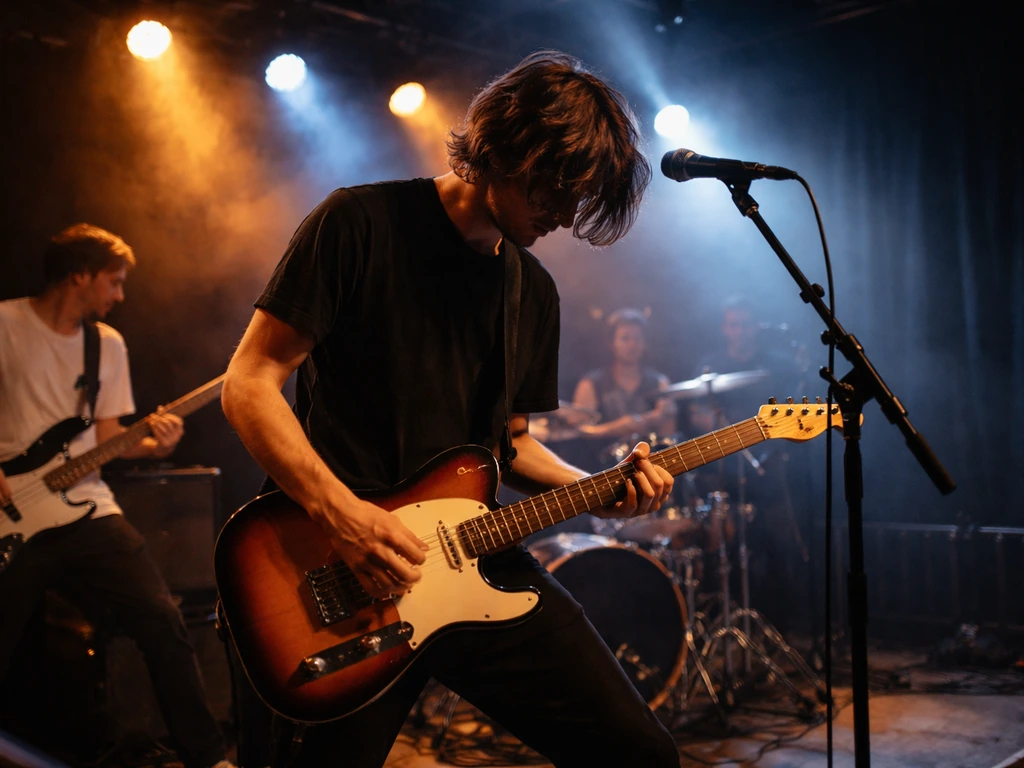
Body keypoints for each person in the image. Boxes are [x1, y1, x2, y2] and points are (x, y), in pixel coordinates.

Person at [221, 52, 681, 767]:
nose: (564, 214)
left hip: (475, 566)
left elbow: (511, 447)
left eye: (579, 198)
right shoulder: (358, 222)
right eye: (555, 188)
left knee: (640, 755)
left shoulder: (532, 290)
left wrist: (602, 490)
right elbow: (249, 382)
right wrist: (344, 518)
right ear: (507, 145)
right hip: (341, 575)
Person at [0, 224, 234, 768]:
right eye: (114, 282)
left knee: (162, 619)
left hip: (87, 508)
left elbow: (107, 438)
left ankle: (206, 757)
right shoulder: (5, 324)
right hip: (11, 513)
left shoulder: (104, 344)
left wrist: (153, 447)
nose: (120, 296)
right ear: (79, 275)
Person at [687, 294, 811, 631]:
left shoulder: (778, 363)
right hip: (722, 472)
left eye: (745, 324)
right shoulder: (710, 365)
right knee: (717, 547)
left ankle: (781, 626)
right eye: (733, 324)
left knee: (782, 544)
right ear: (724, 328)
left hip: (769, 470)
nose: (739, 331)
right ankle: (721, 623)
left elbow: (796, 409)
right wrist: (714, 423)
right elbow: (695, 413)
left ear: (756, 327)